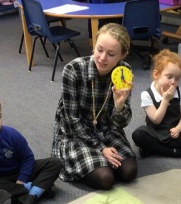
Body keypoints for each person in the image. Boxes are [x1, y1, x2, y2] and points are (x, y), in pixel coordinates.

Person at [51, 23, 137, 190]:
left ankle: (99, 162)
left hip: (107, 131)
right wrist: (101, 148)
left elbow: (120, 124)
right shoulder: (73, 69)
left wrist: (119, 106)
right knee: (105, 178)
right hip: (76, 135)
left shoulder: (124, 72)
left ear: (123, 55)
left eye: (111, 54)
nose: (102, 58)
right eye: (99, 49)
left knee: (129, 172)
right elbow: (71, 121)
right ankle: (97, 163)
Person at [132, 49, 181, 158]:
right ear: (156, 74)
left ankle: (153, 149)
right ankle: (174, 152)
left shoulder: (179, 92)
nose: (173, 82)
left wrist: (178, 129)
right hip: (155, 132)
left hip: (172, 133)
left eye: (177, 79)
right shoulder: (146, 94)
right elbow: (156, 120)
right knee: (138, 135)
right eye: (169, 77)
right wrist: (165, 100)